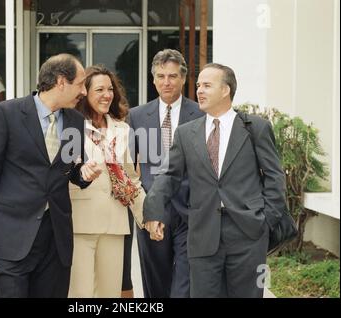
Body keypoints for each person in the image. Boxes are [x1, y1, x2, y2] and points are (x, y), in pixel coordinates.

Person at [144, 63, 287, 298]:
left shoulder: (256, 128)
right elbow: (169, 175)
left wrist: (266, 221)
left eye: (207, 85)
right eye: (198, 85)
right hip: (202, 234)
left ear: (225, 90)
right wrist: (154, 211)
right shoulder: (186, 133)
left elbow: (274, 176)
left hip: (248, 234)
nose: (199, 90)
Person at [0, 54, 102, 298]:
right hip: (12, 233)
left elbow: (71, 169)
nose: (84, 91)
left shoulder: (75, 120)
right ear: (61, 81)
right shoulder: (6, 114)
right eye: (80, 84)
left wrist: (85, 174)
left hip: (55, 239)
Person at [128, 49, 204, 297]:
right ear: (153, 80)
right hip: (152, 211)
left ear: (183, 79)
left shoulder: (201, 114)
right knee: (154, 284)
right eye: (160, 76)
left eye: (172, 76)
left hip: (190, 211)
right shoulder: (136, 116)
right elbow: (129, 165)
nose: (166, 82)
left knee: (185, 283)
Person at [68, 65, 145, 298]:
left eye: (110, 89)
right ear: (85, 93)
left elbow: (130, 179)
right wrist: (81, 173)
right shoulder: (71, 126)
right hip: (80, 223)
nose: (107, 95)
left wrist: (148, 216)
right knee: (80, 294)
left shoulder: (121, 129)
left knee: (109, 294)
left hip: (115, 223)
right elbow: (61, 174)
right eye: (99, 89)